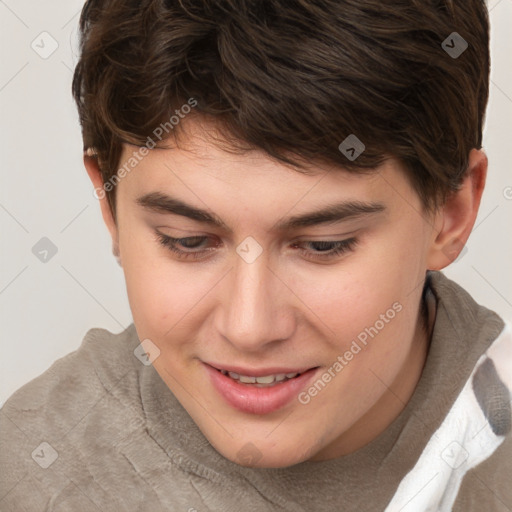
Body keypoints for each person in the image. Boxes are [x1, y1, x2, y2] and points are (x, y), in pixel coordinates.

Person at [1, 0, 511, 510]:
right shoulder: (32, 477)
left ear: (452, 212)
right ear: (110, 206)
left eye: (322, 246)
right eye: (187, 241)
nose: (249, 328)